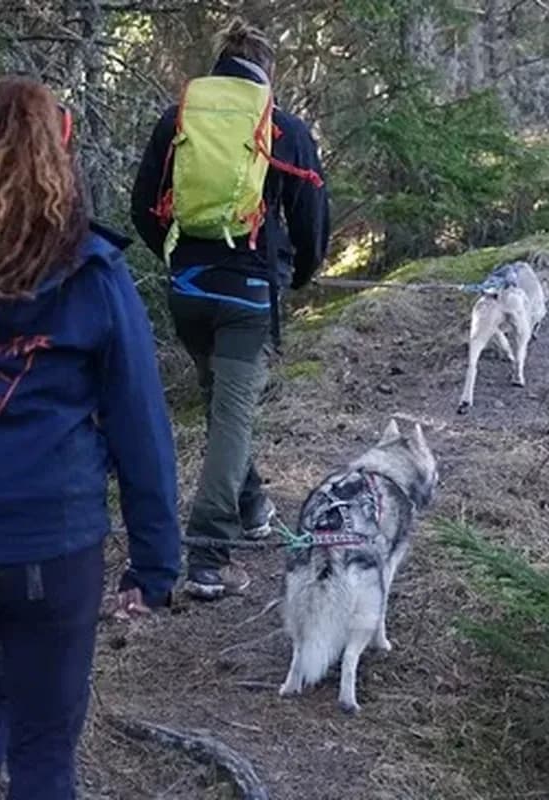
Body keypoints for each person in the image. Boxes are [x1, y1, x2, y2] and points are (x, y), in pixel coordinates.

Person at [0, 76, 181, 799]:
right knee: (44, 753)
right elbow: (140, 424)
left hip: (52, 536)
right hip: (54, 542)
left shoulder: (97, 271)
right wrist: (155, 563)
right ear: (59, 157)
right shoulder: (94, 275)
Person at [131, 19, 330, 600]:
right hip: (246, 298)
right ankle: (209, 555)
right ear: (266, 73)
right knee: (233, 417)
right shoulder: (282, 127)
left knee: (223, 407)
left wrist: (179, 259)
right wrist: (299, 275)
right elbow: (312, 217)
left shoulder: (179, 119)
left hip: (188, 289)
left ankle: (254, 506)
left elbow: (145, 207)